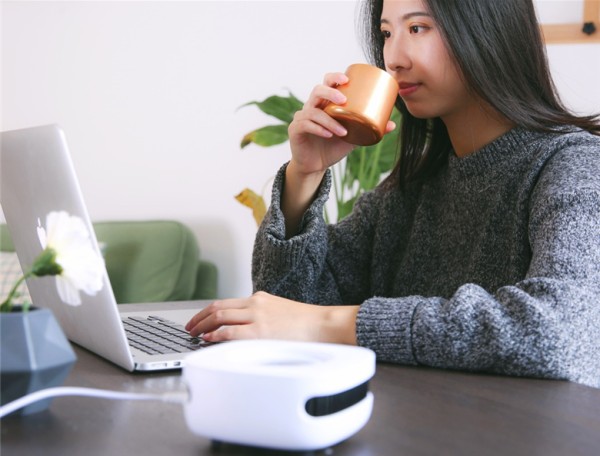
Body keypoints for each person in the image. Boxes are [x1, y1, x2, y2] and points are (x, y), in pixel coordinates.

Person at [186, 0, 600, 387]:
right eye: (386, 33)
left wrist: (330, 324)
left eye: (417, 27)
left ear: (489, 30)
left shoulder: (574, 166)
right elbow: (285, 309)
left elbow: (560, 330)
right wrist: (305, 173)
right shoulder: (412, 188)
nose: (394, 57)